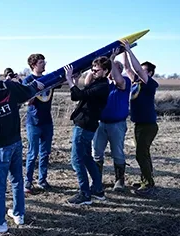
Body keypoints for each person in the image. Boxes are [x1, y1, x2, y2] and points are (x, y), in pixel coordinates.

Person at [0, 65, 45, 233]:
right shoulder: (9, 86)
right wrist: (36, 86)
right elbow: (27, 92)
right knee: (17, 180)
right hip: (16, 141)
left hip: (0, 145)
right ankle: (18, 213)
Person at [64, 56, 111, 205]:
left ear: (106, 71)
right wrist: (75, 81)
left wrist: (69, 80)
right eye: (92, 69)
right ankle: (97, 189)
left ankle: (84, 194)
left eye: (96, 70)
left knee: (76, 160)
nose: (93, 71)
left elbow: (80, 95)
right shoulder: (97, 83)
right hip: (86, 125)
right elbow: (75, 97)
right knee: (86, 158)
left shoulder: (102, 86)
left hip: (84, 126)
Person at [85, 48, 132, 191]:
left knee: (117, 152)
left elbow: (119, 80)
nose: (111, 70)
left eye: (114, 68)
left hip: (117, 124)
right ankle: (96, 180)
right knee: (96, 153)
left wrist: (111, 60)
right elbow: (87, 83)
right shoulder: (102, 84)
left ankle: (119, 181)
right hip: (100, 123)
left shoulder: (125, 82)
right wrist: (92, 68)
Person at [122, 40, 159, 196]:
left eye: (143, 71)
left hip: (148, 125)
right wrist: (122, 50)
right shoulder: (135, 82)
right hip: (139, 124)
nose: (139, 72)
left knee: (140, 154)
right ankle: (147, 179)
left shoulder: (150, 84)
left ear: (149, 73)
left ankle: (148, 184)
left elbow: (136, 67)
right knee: (144, 153)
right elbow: (128, 68)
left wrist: (130, 51)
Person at [23, 53, 59, 193]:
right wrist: (34, 89)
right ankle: (28, 183)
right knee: (32, 153)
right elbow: (26, 101)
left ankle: (42, 180)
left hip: (47, 122)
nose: (44, 64)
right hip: (33, 122)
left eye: (44, 62)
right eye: (41, 62)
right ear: (33, 65)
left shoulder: (49, 78)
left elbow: (64, 81)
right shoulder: (28, 80)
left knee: (45, 153)